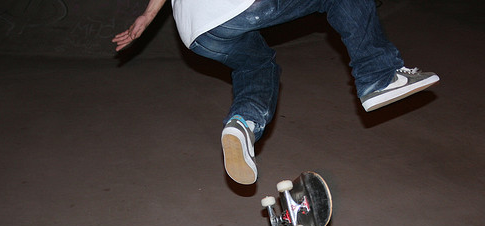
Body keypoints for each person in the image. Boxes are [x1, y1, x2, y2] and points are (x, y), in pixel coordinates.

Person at [113, 0, 439, 185]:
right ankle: (379, 77)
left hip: (197, 32)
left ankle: (244, 123)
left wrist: (147, 15)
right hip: (235, 6)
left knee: (257, 65)